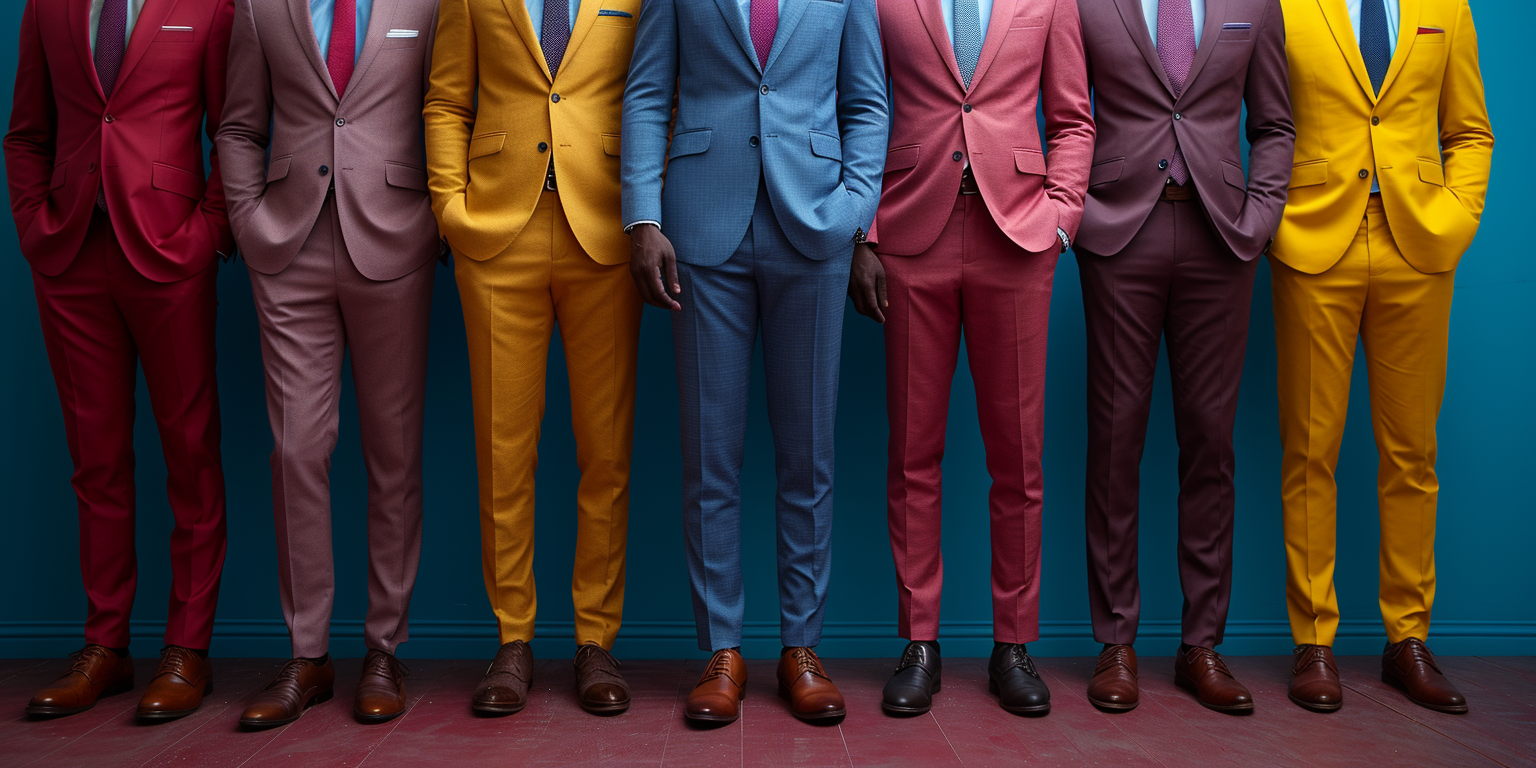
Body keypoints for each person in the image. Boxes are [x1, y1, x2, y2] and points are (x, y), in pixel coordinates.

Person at [621, 0, 888, 724]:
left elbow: (867, 101)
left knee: (810, 455)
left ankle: (802, 648)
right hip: (702, 225)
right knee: (710, 456)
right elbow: (647, 92)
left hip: (817, 229)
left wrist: (856, 208)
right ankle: (723, 651)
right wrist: (643, 216)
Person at [849, 0, 1095, 718]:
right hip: (909, 234)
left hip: (1017, 240)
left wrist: (1060, 215)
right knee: (911, 455)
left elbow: (1075, 119)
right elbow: (862, 107)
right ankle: (919, 642)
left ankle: (1012, 644)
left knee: (1017, 458)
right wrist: (865, 234)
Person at [216, 0, 443, 726]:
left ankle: (384, 648)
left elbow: (447, 106)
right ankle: (307, 655)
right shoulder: (259, 8)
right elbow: (240, 125)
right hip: (288, 247)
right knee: (297, 450)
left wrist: (440, 216)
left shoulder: (429, 4)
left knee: (393, 454)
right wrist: (250, 221)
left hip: (396, 241)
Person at [8, 0, 235, 721]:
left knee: (191, 452)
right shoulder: (47, 7)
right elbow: (26, 132)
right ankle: (105, 645)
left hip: (170, 254)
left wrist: (208, 233)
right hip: (71, 254)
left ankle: (186, 648)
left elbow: (231, 128)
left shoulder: (210, 8)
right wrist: (34, 226)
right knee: (95, 460)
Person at [423, 0, 644, 716]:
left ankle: (594, 639)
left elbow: (654, 94)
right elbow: (447, 99)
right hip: (495, 234)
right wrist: (450, 208)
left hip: (605, 233)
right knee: (503, 449)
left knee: (605, 452)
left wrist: (649, 208)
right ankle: (512, 638)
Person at [1272, 0, 1491, 715]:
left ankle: (1408, 640)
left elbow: (1469, 129)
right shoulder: (1283, 7)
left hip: (1418, 244)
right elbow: (1264, 121)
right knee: (1310, 449)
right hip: (1311, 241)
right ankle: (1315, 642)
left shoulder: (1448, 8)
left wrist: (1456, 216)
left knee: (1412, 453)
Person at [1074, 0, 1293, 713]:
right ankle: (1116, 643)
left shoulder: (1255, 5)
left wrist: (1259, 218)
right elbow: (1068, 113)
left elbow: (1275, 124)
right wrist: (1075, 209)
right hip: (1117, 235)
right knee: (1114, 440)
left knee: (1210, 443)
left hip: (1221, 239)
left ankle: (1202, 643)